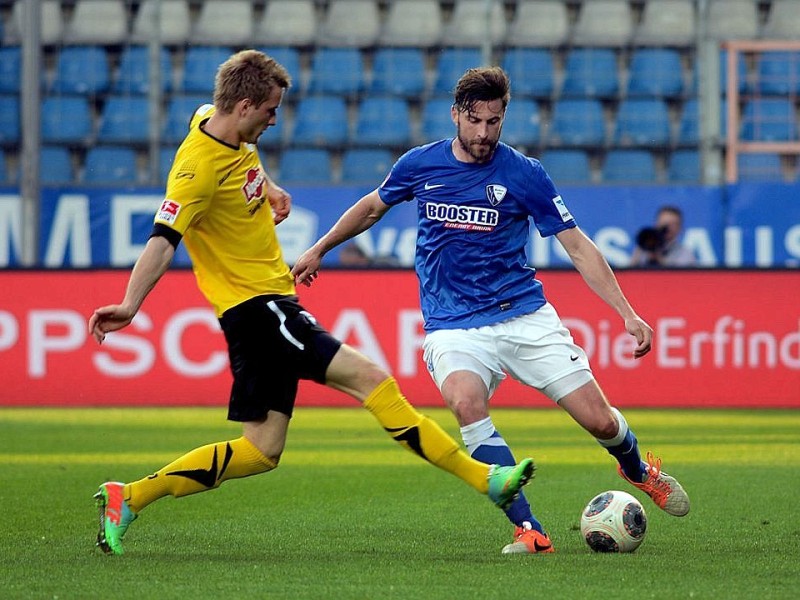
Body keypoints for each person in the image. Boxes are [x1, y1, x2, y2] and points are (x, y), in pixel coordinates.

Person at [87, 51, 534, 556]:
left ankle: (129, 497)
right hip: (263, 307)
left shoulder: (213, 121)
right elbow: (163, 240)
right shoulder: (194, 173)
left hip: (253, 316)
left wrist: (270, 189)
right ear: (246, 104)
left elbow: (239, 157)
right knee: (373, 381)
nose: (275, 119)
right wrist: (129, 305)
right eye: (271, 110)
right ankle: (486, 480)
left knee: (260, 450)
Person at [292, 66, 690, 555]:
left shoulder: (524, 173)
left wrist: (627, 313)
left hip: (523, 315)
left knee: (602, 423)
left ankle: (636, 470)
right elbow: (372, 207)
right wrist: (320, 248)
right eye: (476, 121)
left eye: (495, 122)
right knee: (465, 403)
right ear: (457, 114)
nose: (484, 134)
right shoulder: (420, 164)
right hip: (453, 324)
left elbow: (579, 247)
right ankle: (529, 529)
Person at [630, 205, 696, 267]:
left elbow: (681, 277)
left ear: (680, 228)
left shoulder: (685, 253)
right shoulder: (644, 248)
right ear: (656, 224)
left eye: (672, 224)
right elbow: (629, 274)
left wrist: (659, 258)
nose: (667, 228)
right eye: (664, 223)